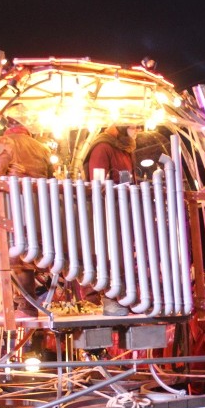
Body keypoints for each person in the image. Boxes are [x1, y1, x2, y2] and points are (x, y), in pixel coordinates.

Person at [0, 119, 53, 317]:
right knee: (29, 253)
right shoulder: (42, 148)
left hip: (13, 203)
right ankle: (25, 305)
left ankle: (25, 306)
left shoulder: (6, 142)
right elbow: (50, 177)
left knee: (16, 256)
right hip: (39, 205)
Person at [82, 123, 139, 316]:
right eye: (135, 125)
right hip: (108, 211)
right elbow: (97, 183)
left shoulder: (125, 148)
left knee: (123, 257)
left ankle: (121, 297)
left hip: (123, 210)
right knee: (109, 255)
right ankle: (109, 297)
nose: (139, 129)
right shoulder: (103, 147)